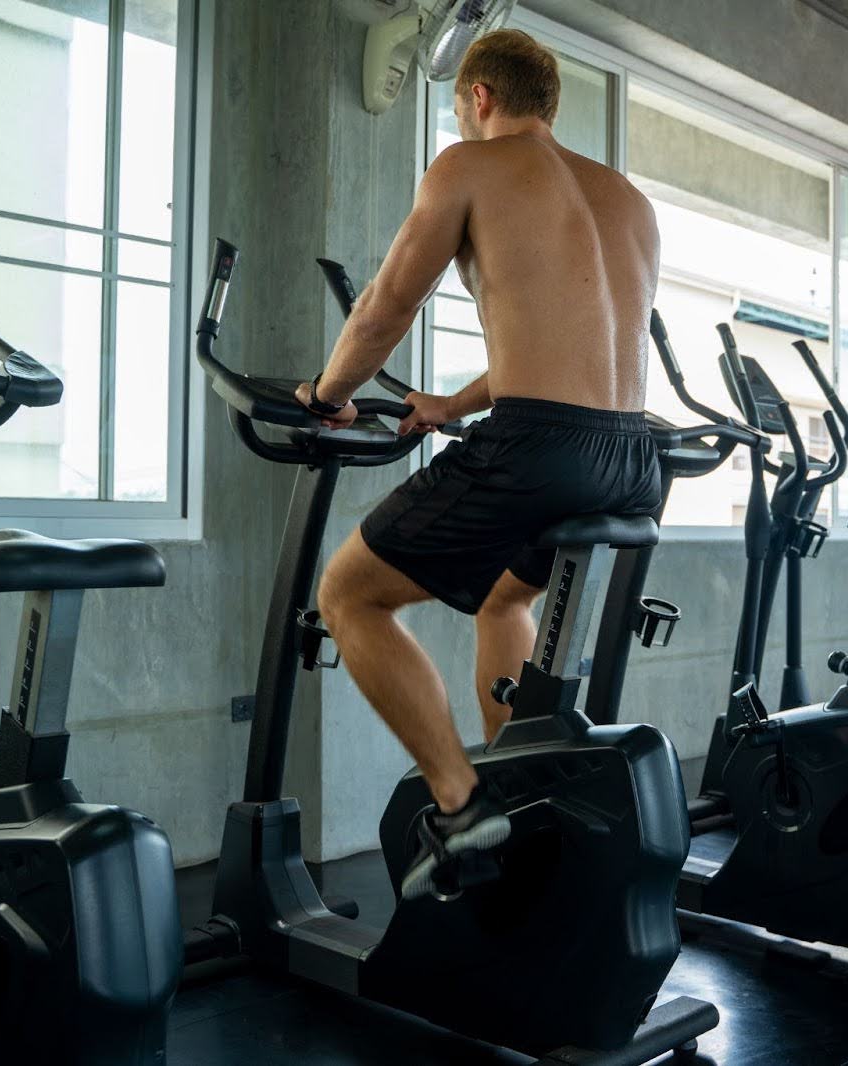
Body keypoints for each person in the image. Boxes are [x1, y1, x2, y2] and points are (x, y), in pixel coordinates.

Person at [294, 29, 661, 900]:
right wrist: (452, 407)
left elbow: (387, 306)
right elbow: (581, 345)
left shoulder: (467, 164)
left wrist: (326, 394)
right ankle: (522, 779)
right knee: (506, 594)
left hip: (541, 447)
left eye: (460, 101)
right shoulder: (627, 199)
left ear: (480, 98)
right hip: (635, 456)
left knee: (348, 594)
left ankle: (461, 809)